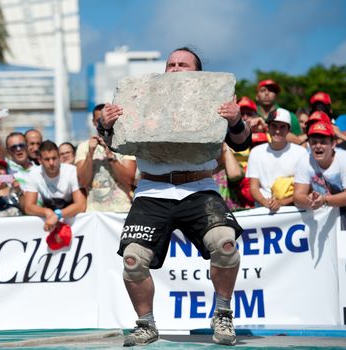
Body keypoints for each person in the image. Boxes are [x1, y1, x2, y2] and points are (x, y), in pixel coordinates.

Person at [99, 47, 251, 346]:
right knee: (133, 259)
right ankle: (146, 324)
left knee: (226, 245)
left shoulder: (215, 95)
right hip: (152, 190)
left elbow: (242, 142)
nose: (176, 68)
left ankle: (222, 314)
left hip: (199, 188)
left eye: (183, 64)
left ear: (197, 72)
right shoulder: (144, 95)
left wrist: (235, 120)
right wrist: (105, 123)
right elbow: (115, 144)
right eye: (171, 64)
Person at [75, 103, 137, 212]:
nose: (104, 123)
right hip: (94, 213)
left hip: (123, 211)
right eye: (99, 120)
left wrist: (110, 154)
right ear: (94, 122)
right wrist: (90, 153)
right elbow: (83, 181)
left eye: (107, 119)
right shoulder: (84, 147)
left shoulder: (125, 146)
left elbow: (128, 180)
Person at [246, 108, 306, 211]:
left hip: (293, 209)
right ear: (268, 128)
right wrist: (265, 202)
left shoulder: (301, 153)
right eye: (274, 126)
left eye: (282, 127)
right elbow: (254, 187)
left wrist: (281, 203)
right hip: (263, 208)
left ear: (288, 129)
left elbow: (305, 187)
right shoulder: (256, 152)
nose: (277, 131)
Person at [22, 140, 86, 232]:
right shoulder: (33, 174)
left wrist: (57, 215)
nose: (51, 163)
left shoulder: (72, 171)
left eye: (54, 158)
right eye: (47, 159)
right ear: (40, 160)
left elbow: (81, 205)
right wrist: (46, 212)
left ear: (59, 157)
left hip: (73, 221)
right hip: (51, 217)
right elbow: (28, 207)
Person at [293, 121, 346, 229]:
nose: (318, 146)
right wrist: (311, 200)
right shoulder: (304, 161)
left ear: (333, 144)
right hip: (323, 213)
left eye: (323, 142)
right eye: (314, 142)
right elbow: (297, 196)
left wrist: (324, 200)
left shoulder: (343, 159)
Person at [0, 111, 35, 186]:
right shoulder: (7, 169)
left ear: (27, 146)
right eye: (13, 147)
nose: (18, 149)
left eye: (21, 145)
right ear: (8, 151)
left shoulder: (39, 170)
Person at [254, 79, 302, 144]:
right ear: (256, 96)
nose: (267, 93)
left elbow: (300, 142)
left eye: (271, 90)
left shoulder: (290, 116)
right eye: (263, 90)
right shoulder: (247, 116)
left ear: (276, 96)